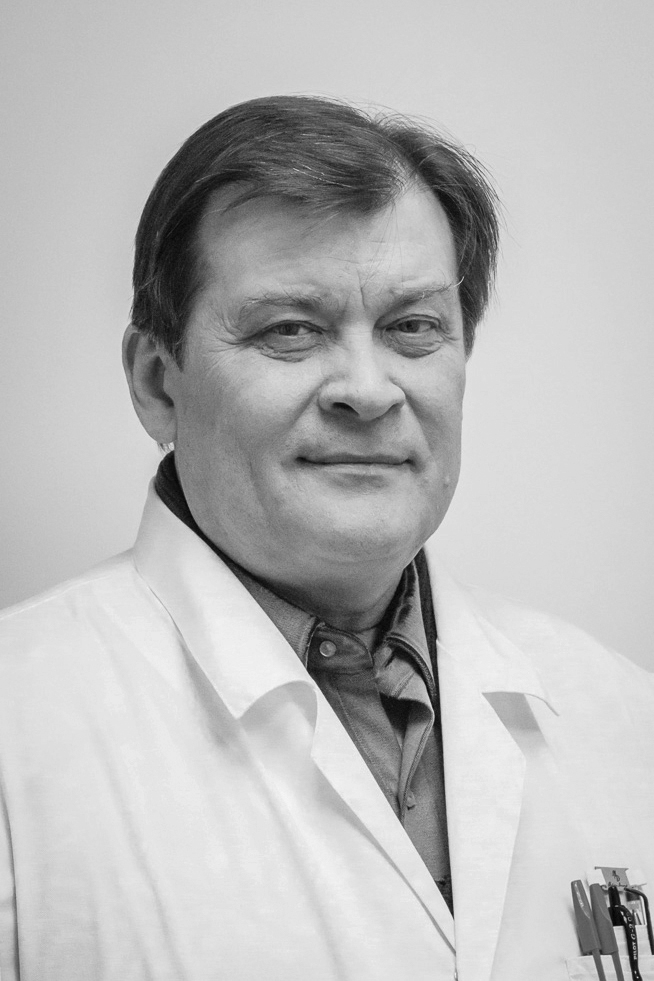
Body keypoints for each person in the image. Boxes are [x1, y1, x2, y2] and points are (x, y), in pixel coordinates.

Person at [0, 95, 652, 981]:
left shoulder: (624, 719)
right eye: (290, 330)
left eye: (412, 327)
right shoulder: (21, 736)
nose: (368, 390)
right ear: (158, 383)